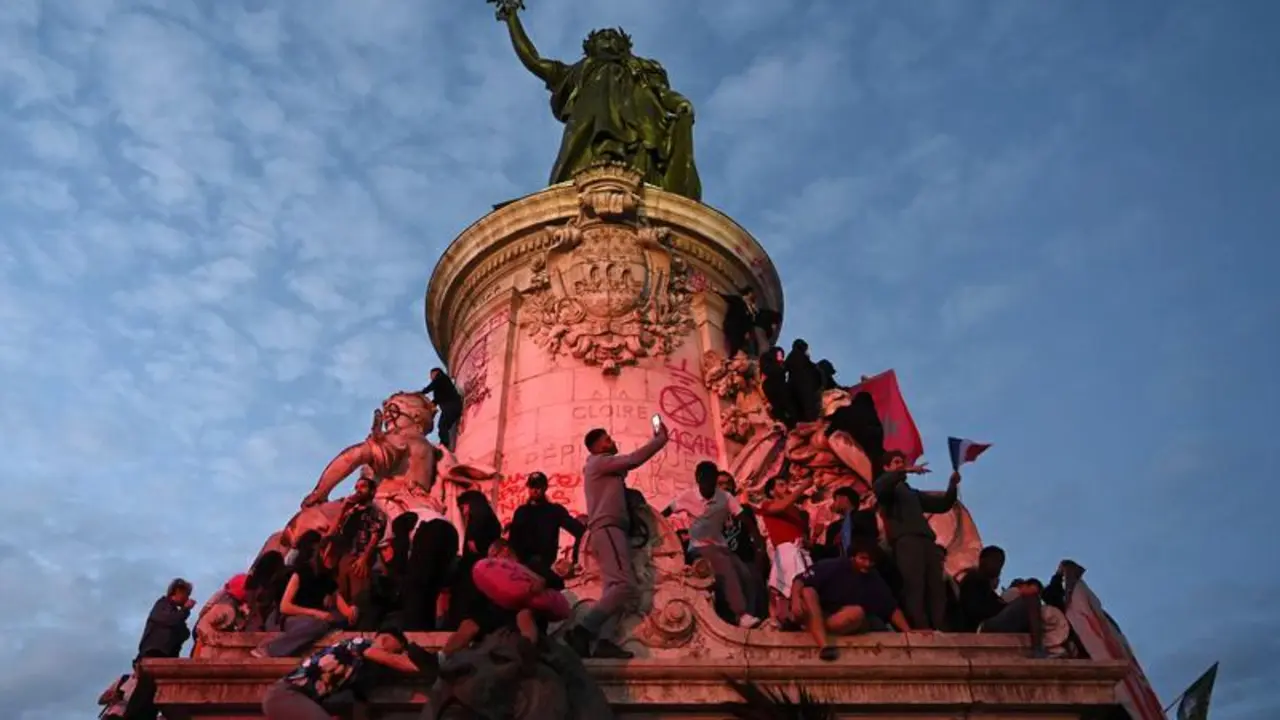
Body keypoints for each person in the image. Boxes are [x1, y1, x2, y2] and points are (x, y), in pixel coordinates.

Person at [564, 420, 669, 659]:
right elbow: (633, 459)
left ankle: (603, 641)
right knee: (624, 586)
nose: (612, 441)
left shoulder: (604, 468)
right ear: (597, 447)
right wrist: (659, 440)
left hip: (611, 529)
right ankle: (583, 630)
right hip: (609, 528)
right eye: (607, 439)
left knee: (615, 588)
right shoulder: (600, 463)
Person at [663, 461, 762, 628]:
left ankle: (749, 617)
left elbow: (743, 517)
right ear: (698, 479)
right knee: (724, 566)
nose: (709, 485)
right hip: (699, 547)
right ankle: (740, 613)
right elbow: (666, 512)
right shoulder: (688, 496)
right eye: (705, 481)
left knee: (745, 574)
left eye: (712, 481)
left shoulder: (725, 497)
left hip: (721, 546)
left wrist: (758, 541)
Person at [874, 451, 958, 630]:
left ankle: (938, 626)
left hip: (927, 541)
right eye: (896, 462)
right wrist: (906, 471)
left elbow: (942, 504)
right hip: (906, 541)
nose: (901, 465)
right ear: (886, 467)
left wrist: (952, 486)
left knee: (936, 587)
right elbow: (881, 488)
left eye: (902, 462)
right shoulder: (886, 487)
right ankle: (920, 627)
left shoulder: (911, 493)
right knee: (914, 585)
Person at [261, 628, 422, 720]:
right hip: (286, 694)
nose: (390, 650)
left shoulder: (358, 670)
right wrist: (426, 666)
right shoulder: (359, 643)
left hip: (297, 698)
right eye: (395, 648)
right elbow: (389, 659)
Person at [793, 543, 911, 661]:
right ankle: (823, 645)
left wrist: (908, 632)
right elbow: (800, 580)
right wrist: (795, 601)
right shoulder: (832, 566)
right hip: (817, 612)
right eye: (863, 559)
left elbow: (891, 608)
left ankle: (816, 629)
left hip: (837, 620)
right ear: (853, 557)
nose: (867, 564)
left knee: (857, 612)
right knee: (808, 592)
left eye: (871, 561)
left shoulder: (874, 578)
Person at [253, 536, 353, 658]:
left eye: (337, 557)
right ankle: (270, 649)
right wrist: (316, 613)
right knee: (318, 624)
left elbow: (339, 600)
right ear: (322, 552)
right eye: (332, 556)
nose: (334, 560)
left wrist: (351, 612)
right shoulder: (302, 572)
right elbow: (285, 607)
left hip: (314, 619)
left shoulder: (327, 577)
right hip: (291, 618)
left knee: (332, 620)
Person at [957, 546, 1048, 657]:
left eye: (1001, 564)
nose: (999, 567)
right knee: (1031, 598)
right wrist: (1004, 608)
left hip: (989, 622)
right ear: (983, 560)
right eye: (996, 561)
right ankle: (1038, 649)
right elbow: (974, 609)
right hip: (981, 626)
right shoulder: (973, 578)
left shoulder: (985, 583)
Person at [508, 472, 586, 589]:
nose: (535, 490)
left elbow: (580, 531)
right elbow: (512, 541)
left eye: (538, 487)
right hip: (523, 566)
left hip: (544, 566)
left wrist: (575, 560)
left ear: (545, 488)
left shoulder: (554, 511)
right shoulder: (521, 512)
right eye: (532, 487)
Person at [329, 473, 387, 630]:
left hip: (359, 557)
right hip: (344, 558)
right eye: (356, 487)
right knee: (341, 595)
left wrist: (364, 558)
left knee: (358, 597)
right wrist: (343, 509)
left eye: (362, 487)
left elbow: (375, 536)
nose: (358, 490)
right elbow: (333, 532)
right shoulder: (350, 513)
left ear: (372, 491)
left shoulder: (375, 512)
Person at [757, 476, 813, 626]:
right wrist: (802, 487)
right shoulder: (767, 504)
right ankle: (779, 615)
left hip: (800, 550)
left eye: (787, 485)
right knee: (783, 584)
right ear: (771, 491)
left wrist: (807, 542)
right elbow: (781, 507)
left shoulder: (797, 512)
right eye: (781, 485)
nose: (787, 488)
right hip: (783, 549)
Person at [717, 471, 769, 618]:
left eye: (728, 483)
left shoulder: (744, 510)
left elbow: (755, 536)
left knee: (756, 600)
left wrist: (759, 557)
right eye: (720, 484)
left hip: (746, 559)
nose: (725, 486)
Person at [138, 578, 195, 659]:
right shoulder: (163, 604)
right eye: (186, 594)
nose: (187, 598)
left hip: (168, 656)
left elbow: (184, 633)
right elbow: (171, 620)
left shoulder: (175, 611)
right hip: (153, 653)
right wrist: (185, 609)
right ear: (178, 591)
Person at [818, 487, 879, 560]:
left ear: (843, 499)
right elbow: (828, 552)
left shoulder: (864, 516)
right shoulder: (833, 526)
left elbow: (869, 540)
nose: (832, 505)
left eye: (835, 500)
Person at [422, 368, 463, 451]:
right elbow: (437, 399)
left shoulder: (441, 378)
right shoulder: (440, 386)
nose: (431, 377)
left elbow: (432, 386)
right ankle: (444, 444)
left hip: (452, 405)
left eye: (431, 375)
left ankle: (444, 445)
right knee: (442, 426)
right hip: (449, 408)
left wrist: (421, 393)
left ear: (436, 372)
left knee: (443, 425)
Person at [785, 339, 823, 423]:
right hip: (806, 385)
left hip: (795, 384)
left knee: (800, 409)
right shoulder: (802, 357)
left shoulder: (792, 356)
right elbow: (815, 371)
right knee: (809, 409)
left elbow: (784, 368)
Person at [718, 287, 763, 358]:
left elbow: (749, 321)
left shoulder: (750, 309)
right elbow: (726, 297)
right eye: (752, 294)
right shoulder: (738, 300)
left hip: (741, 332)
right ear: (748, 294)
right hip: (734, 327)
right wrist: (716, 291)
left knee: (745, 348)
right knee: (736, 346)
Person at [759, 347, 795, 428]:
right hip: (769, 385)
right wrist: (782, 368)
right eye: (780, 354)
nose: (781, 357)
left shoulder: (780, 365)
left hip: (778, 387)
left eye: (782, 355)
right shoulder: (766, 358)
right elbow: (769, 371)